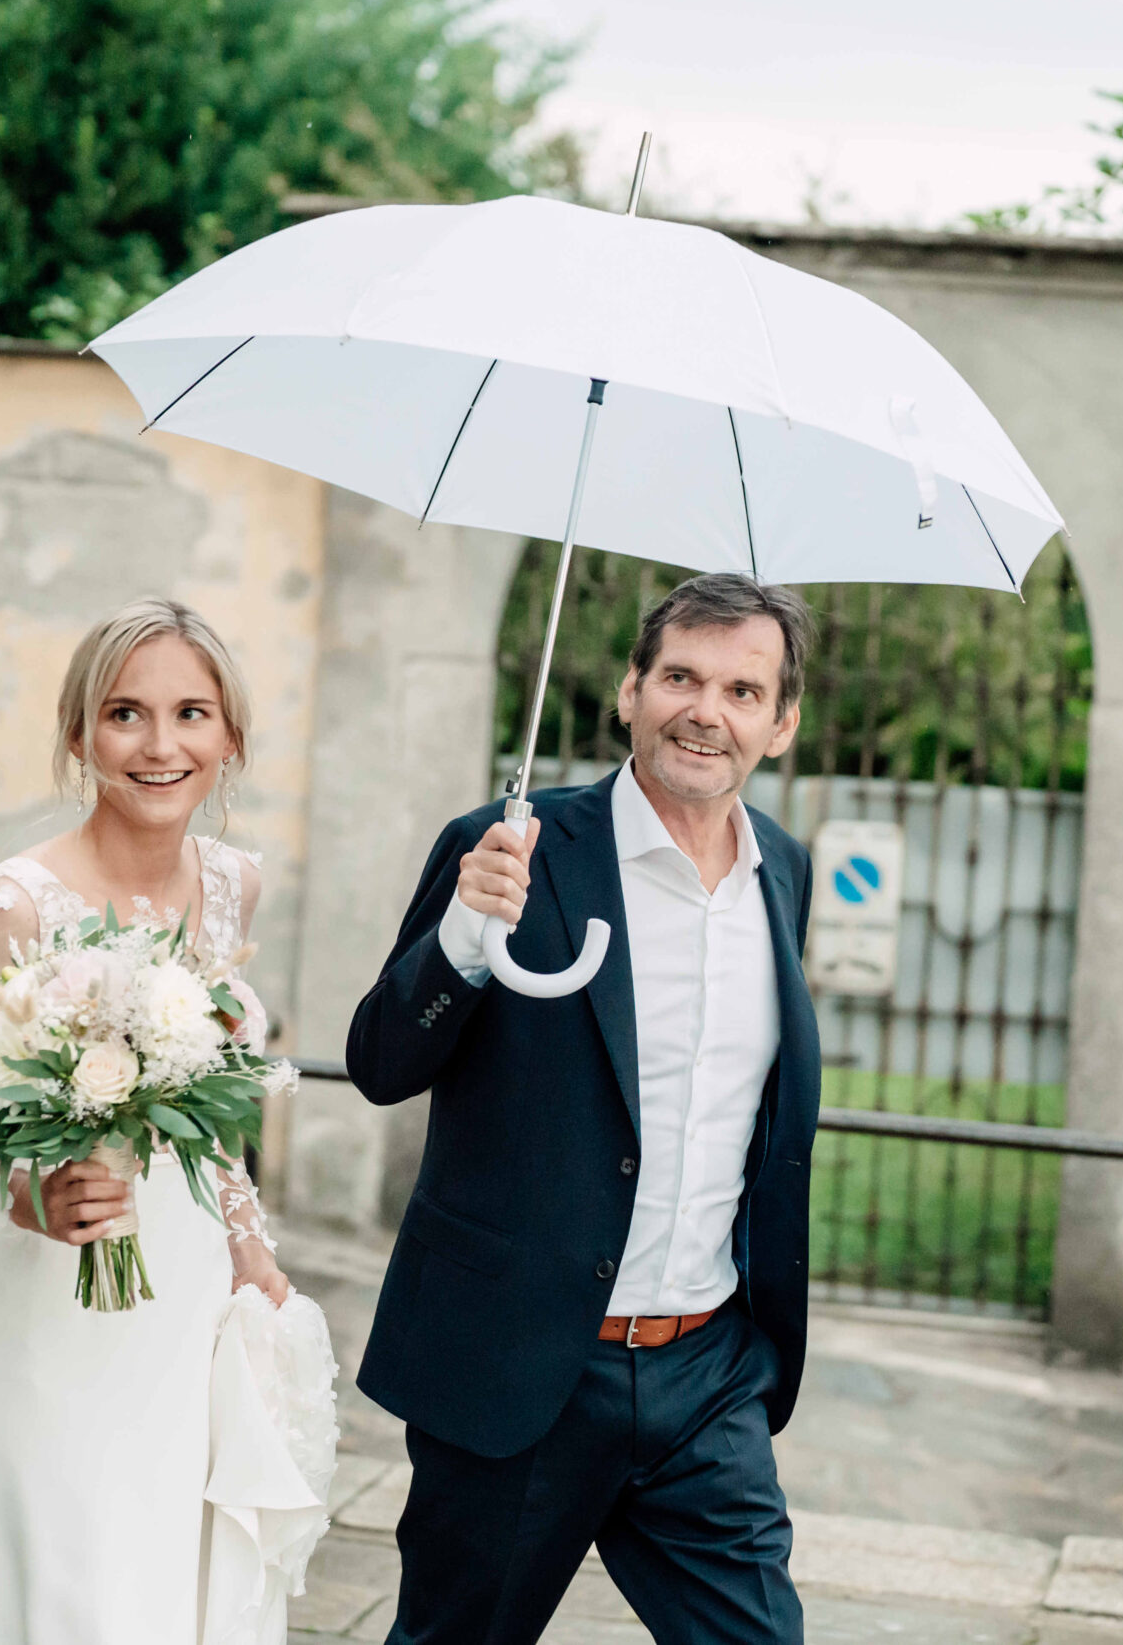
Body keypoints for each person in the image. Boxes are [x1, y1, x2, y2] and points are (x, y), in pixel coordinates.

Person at [348, 572, 823, 1645]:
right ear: (629, 690)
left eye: (743, 691)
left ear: (781, 724)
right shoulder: (512, 849)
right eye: (681, 677)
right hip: (524, 1367)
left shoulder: (781, 875)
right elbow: (380, 1061)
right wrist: (466, 937)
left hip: (706, 1372)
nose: (707, 710)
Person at [0, 598, 294, 1643]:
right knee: (80, 1599)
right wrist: (22, 1189)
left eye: (191, 714)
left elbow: (214, 1116)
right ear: (80, 735)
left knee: (181, 1599)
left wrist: (251, 1252)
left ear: (230, 737)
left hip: (192, 1315)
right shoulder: (11, 905)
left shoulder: (232, 886)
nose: (160, 746)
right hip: (55, 1319)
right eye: (125, 714)